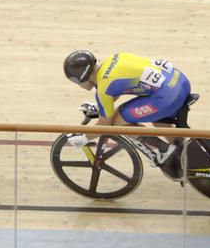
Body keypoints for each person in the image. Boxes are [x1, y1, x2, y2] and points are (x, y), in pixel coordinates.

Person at [63, 50, 190, 180]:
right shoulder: (113, 59)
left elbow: (104, 125)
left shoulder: (103, 89)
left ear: (82, 78)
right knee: (157, 117)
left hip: (167, 97)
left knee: (118, 120)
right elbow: (114, 90)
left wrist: (84, 138)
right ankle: (184, 152)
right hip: (180, 82)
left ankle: (164, 150)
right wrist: (100, 107)